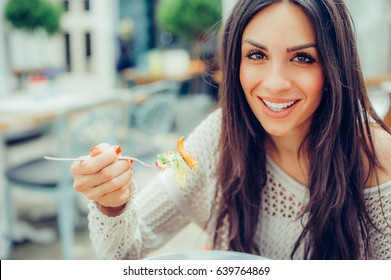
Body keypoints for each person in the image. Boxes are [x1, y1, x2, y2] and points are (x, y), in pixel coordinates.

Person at [71, 0, 391, 260]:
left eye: (303, 58)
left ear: (335, 66)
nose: (276, 83)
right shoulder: (219, 138)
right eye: (256, 55)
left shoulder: (380, 164)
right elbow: (124, 252)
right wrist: (112, 203)